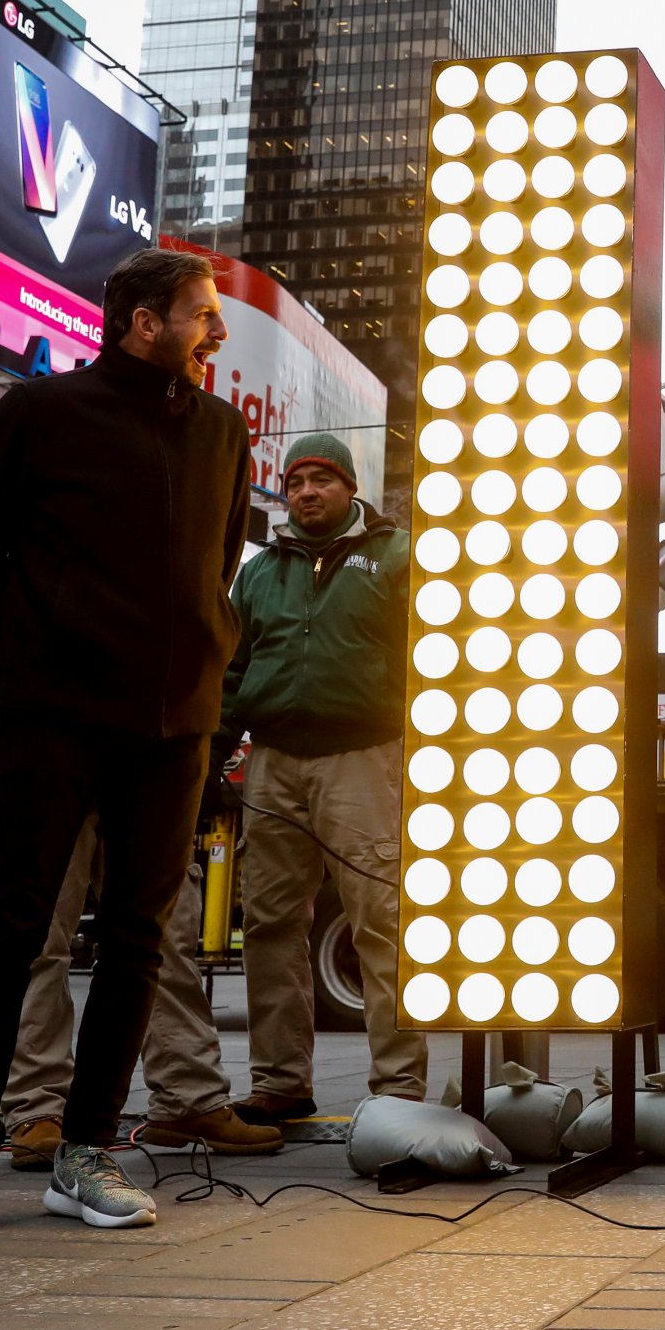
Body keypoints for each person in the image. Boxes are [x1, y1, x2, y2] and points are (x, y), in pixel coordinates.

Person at [0, 248, 247, 1242]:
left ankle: (86, 1151)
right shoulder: (39, 414)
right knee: (11, 930)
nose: (215, 331)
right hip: (52, 716)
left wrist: (204, 666)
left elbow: (216, 566)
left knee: (138, 940)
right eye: (202, 314)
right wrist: (38, 657)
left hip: (172, 729)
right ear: (144, 322)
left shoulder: (223, 432)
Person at [0, 572, 282, 1168]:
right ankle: (38, 1107)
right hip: (44, 759)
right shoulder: (17, 536)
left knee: (162, 934)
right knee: (36, 936)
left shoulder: (146, 529)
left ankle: (187, 1095)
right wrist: (46, 711)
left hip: (142, 758)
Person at [222, 432, 425, 1125]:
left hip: (365, 756)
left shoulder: (398, 557)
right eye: (295, 481)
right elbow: (231, 668)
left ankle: (399, 1089)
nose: (305, 492)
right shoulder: (258, 572)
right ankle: (280, 1082)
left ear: (350, 487)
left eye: (321, 479)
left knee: (382, 920)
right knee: (272, 925)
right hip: (272, 760)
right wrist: (212, 751)